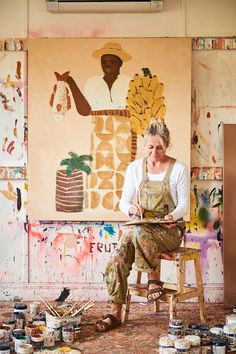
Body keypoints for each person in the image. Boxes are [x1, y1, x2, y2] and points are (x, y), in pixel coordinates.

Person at [95, 117, 190, 332]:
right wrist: (131, 209)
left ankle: (153, 278)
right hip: (140, 228)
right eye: (150, 147)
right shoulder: (135, 168)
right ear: (145, 144)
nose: (155, 152)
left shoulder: (179, 169)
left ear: (167, 145)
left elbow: (185, 205)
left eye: (160, 148)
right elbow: (123, 202)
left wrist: (172, 216)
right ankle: (115, 312)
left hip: (169, 231)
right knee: (117, 257)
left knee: (138, 232)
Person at [66, 42, 132, 114]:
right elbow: (84, 112)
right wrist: (71, 82)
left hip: (125, 125)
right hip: (98, 124)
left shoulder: (130, 82)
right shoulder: (92, 83)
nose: (107, 65)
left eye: (112, 62)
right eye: (104, 62)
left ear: (120, 63)